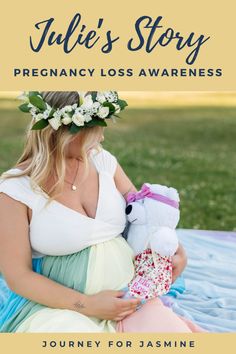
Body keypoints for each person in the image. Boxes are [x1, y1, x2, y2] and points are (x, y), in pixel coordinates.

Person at [0, 91, 195, 333]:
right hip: (59, 309)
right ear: (66, 132)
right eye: (95, 130)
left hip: (131, 299)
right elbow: (18, 277)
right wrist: (88, 305)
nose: (101, 137)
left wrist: (175, 254)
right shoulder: (15, 189)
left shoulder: (103, 162)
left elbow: (145, 220)